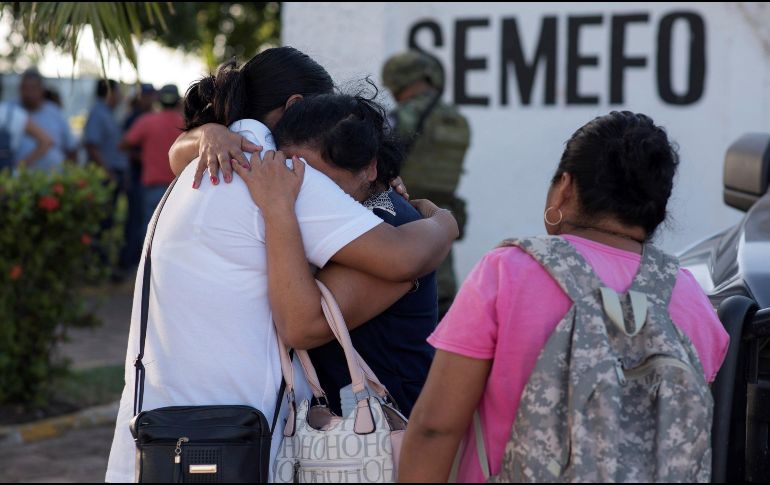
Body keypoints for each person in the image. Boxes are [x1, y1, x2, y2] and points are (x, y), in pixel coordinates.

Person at [106, 48, 458, 483]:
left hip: (165, 431)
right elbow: (402, 255)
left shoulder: (206, 170)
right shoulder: (277, 173)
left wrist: (211, 133)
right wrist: (445, 220)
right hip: (244, 434)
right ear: (296, 107)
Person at [399, 112, 730, 482]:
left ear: (565, 188)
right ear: (659, 208)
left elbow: (435, 427)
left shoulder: (507, 272)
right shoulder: (692, 301)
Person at [240, 91, 440, 418]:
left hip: (389, 436)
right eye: (290, 171)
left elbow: (300, 327)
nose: (301, 189)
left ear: (369, 169)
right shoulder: (357, 216)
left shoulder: (387, 227)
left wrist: (278, 209)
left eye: (318, 182)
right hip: (350, 432)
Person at [382, 50, 471, 319]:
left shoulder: (401, 118)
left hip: (407, 222)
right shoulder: (456, 119)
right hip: (441, 219)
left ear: (398, 81)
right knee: (441, 304)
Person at [121, 84, 183, 228]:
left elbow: (123, 145)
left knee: (149, 233)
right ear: (178, 101)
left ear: (158, 100)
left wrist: (140, 156)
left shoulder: (147, 121)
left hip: (152, 187)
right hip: (178, 188)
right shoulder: (186, 123)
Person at [122, 83, 157, 267]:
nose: (150, 99)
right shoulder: (134, 118)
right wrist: (143, 156)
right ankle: (130, 263)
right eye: (147, 95)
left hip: (147, 176)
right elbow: (123, 146)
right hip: (137, 177)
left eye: (152, 95)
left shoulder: (150, 116)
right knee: (136, 223)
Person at [16, 69, 77, 172]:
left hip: (53, 181)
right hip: (17, 180)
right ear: (20, 89)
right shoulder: (12, 111)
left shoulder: (55, 112)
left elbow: (71, 147)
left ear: (41, 90)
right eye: (25, 88)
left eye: (33, 88)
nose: (29, 93)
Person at [0, 100, 53, 172]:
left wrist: (22, 165)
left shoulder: (14, 113)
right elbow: (46, 141)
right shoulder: (13, 113)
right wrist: (22, 165)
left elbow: (46, 141)